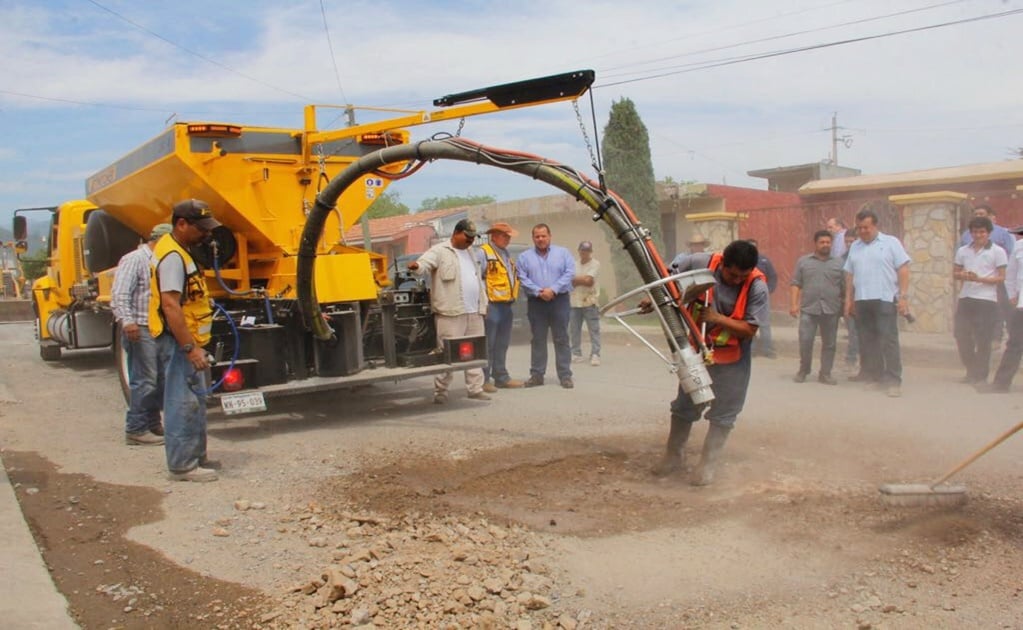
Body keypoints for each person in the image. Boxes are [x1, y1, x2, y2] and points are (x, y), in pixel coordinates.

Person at [653, 240, 769, 485]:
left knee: (724, 413)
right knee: (685, 404)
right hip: (698, 352)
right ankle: (673, 456)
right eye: (732, 274)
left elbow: (749, 329)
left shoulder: (757, 285)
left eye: (742, 276)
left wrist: (717, 318)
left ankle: (707, 465)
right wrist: (654, 300)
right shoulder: (699, 263)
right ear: (722, 264)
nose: (736, 280)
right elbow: (664, 280)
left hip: (734, 357)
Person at [151, 199, 221, 482]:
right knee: (182, 401)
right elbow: (170, 305)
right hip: (178, 342)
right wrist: (189, 348)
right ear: (181, 224)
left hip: (189, 341)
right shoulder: (172, 257)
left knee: (196, 400)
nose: (206, 234)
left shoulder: (182, 251)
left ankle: (196, 457)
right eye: (200, 228)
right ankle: (182, 465)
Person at [408, 219, 491, 404]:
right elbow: (423, 265)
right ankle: (441, 390)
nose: (470, 240)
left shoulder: (471, 253)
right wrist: (416, 267)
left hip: (474, 311)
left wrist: (483, 304)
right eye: (467, 236)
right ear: (456, 233)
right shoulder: (440, 251)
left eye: (472, 237)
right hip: (450, 311)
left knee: (476, 352)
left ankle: (475, 388)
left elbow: (477, 280)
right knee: (446, 353)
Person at [112, 223, 173, 446]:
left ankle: (152, 423)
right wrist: (128, 322)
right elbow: (120, 294)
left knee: (159, 379)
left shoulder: (159, 261)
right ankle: (136, 429)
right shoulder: (135, 259)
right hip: (140, 327)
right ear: (160, 241)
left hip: (157, 327)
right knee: (144, 380)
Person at [843, 205, 911, 398]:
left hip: (885, 299)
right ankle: (876, 376)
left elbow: (903, 269)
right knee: (868, 340)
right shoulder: (855, 246)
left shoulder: (891, 243)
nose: (863, 231)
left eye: (866, 227)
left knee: (888, 340)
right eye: (860, 228)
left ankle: (893, 380)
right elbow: (849, 275)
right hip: (862, 299)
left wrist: (903, 297)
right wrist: (849, 300)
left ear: (875, 226)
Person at [516, 223, 575, 389]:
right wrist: (539, 291)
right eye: (537, 236)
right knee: (538, 339)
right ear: (533, 238)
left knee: (561, 337)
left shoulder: (563, 253)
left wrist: (553, 290)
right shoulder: (524, 257)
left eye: (543, 236)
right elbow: (522, 277)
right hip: (537, 302)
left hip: (560, 300)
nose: (541, 239)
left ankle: (565, 375)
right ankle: (537, 375)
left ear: (550, 236)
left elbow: (569, 272)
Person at [952, 216, 1007, 384]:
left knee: (983, 338)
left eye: (982, 232)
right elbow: (955, 273)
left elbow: (1001, 278)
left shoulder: (997, 251)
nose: (978, 235)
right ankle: (971, 369)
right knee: (961, 334)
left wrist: (980, 279)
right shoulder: (963, 251)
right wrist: (963, 275)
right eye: (975, 232)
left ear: (989, 233)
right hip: (966, 297)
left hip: (986, 299)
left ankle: (980, 375)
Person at [790, 230, 845, 385]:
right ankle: (804, 370)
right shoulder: (803, 262)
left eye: (828, 242)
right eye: (822, 242)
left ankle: (825, 374)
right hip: (809, 309)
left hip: (831, 309)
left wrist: (846, 306)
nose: (825, 245)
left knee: (830, 343)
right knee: (806, 341)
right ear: (815, 243)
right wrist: (794, 305)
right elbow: (795, 283)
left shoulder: (839, 263)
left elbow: (844, 287)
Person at [478, 222, 524, 391]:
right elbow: (478, 279)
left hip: (506, 306)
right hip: (492, 306)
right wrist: (484, 304)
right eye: (505, 236)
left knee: (502, 343)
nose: (508, 239)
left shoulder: (505, 254)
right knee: (488, 344)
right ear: (494, 236)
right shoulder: (484, 253)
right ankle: (483, 380)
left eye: (508, 236)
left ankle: (501, 377)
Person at [984, 225, 1023, 392]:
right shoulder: (1019, 246)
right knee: (1015, 343)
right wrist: (1013, 295)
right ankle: (1001, 384)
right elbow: (1011, 274)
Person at [570, 240, 601, 367]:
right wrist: (580, 280)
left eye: (587, 251)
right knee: (574, 329)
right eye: (583, 250)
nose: (585, 253)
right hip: (575, 301)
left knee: (593, 329)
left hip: (590, 301)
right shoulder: (574, 264)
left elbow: (589, 281)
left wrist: (576, 280)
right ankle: (576, 353)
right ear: (579, 251)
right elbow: (568, 280)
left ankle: (595, 354)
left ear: (590, 252)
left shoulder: (595, 264)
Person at [747, 238, 777, 358]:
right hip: (747, 297)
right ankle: (751, 350)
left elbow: (773, 276)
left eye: (755, 246)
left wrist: (769, 290)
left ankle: (768, 350)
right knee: (750, 322)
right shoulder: (742, 260)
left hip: (763, 298)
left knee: (765, 323)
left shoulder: (764, 261)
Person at [841, 230, 860, 371]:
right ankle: (851, 359)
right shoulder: (842, 259)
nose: (849, 244)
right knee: (853, 332)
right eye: (846, 241)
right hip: (847, 300)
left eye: (851, 241)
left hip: (863, 300)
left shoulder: (863, 256)